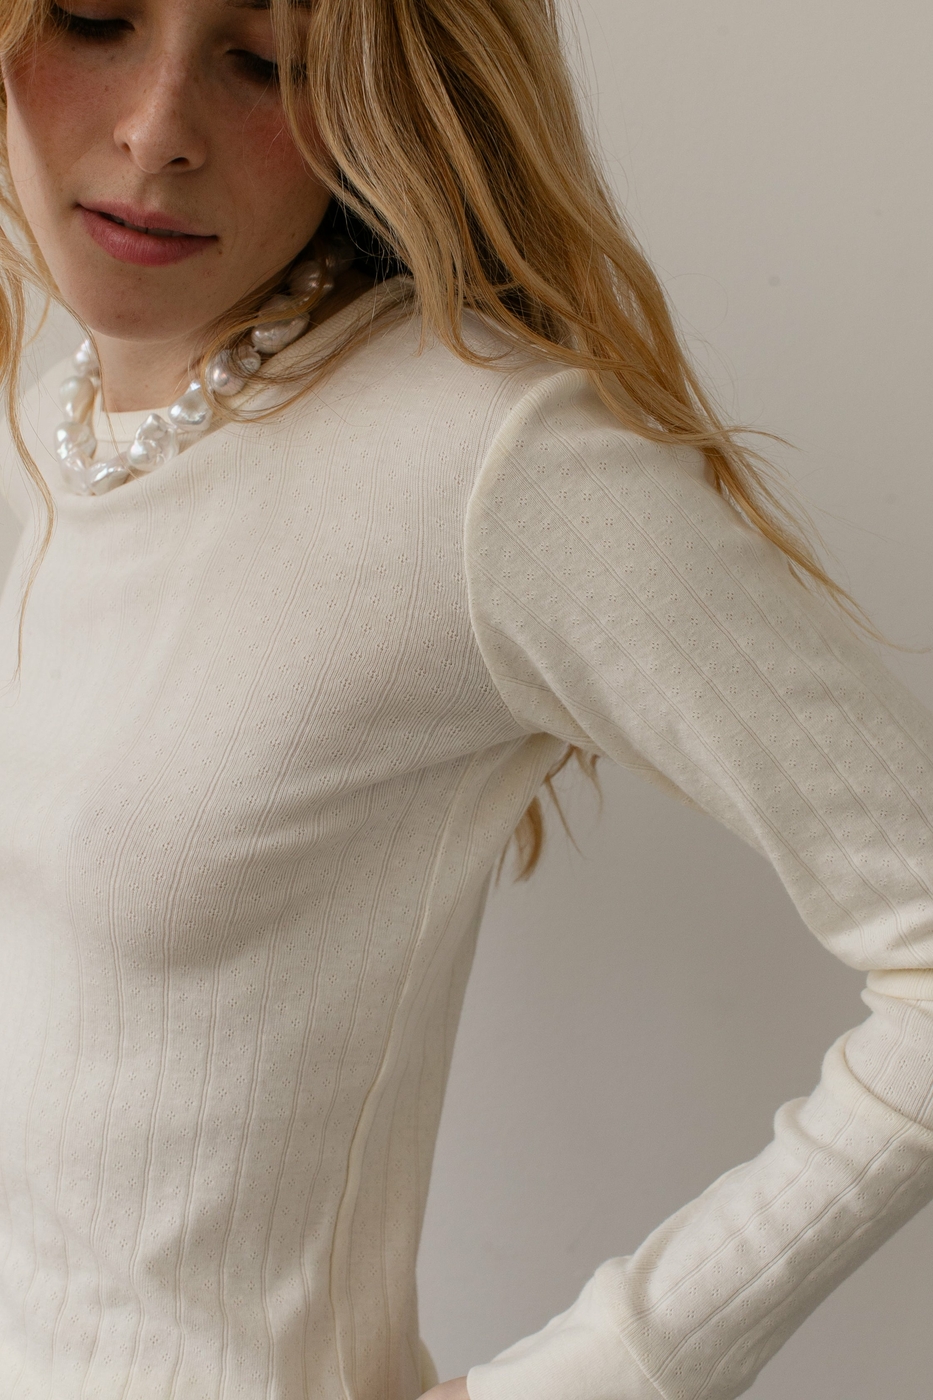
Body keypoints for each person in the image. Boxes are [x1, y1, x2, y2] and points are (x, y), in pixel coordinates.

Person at [0, 1, 930, 1398]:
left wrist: (614, 1370)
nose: (155, 132)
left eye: (264, 60)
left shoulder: (489, 466)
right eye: (93, 19)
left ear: (379, 95)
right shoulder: (55, 413)